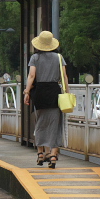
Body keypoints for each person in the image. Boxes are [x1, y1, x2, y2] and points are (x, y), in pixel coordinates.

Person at [22, 31, 69, 169]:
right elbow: (64, 77)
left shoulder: (35, 58)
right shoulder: (59, 58)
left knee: (40, 123)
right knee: (55, 124)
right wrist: (67, 91)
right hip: (55, 91)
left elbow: (31, 76)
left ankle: (40, 154)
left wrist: (27, 92)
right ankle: (53, 156)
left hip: (39, 92)